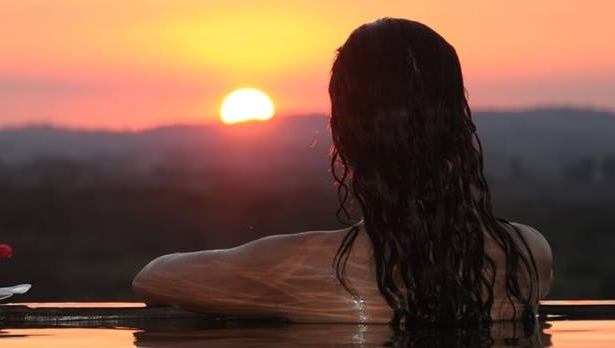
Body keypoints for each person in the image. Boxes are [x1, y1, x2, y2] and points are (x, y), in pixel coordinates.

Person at [132, 18, 553, 327]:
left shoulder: (302, 265)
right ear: (458, 122)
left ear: (346, 133)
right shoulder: (528, 254)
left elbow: (154, 278)